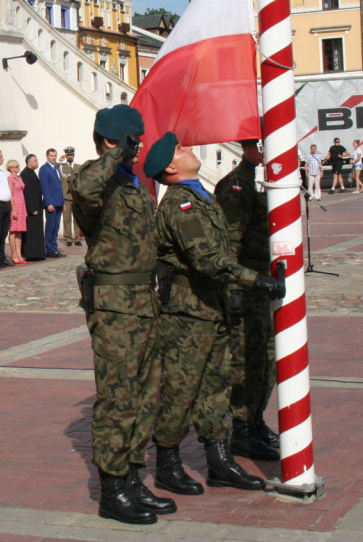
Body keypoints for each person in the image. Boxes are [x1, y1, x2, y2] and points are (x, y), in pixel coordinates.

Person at [144, 132, 285, 497]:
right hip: (187, 314)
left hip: (212, 307)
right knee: (180, 389)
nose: (188, 148)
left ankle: (219, 461)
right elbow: (207, 259)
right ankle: (168, 465)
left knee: (215, 388)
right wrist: (256, 281)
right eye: (180, 149)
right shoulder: (179, 205)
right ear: (171, 168)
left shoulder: (198, 196)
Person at [69, 104, 175, 525]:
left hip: (143, 302)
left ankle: (132, 479)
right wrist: (114, 154)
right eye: (134, 139)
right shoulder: (94, 179)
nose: (140, 147)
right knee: (117, 398)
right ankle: (112, 489)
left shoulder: (130, 185)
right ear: (114, 140)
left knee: (144, 395)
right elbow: (84, 191)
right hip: (114, 307)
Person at [213, 140, 279, 462]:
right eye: (260, 144)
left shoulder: (255, 180)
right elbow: (230, 240)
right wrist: (235, 288)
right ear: (248, 147)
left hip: (261, 285)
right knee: (246, 360)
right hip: (247, 285)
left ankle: (255, 419)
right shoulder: (237, 185)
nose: (267, 150)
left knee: (266, 360)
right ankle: (242, 429)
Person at [40, 148, 65, 258]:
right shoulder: (44, 169)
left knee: (56, 226)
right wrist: (49, 203)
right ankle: (49, 248)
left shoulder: (56, 168)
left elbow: (59, 186)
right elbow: (45, 188)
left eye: (55, 155)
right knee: (50, 226)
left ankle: (54, 247)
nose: (53, 157)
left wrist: (63, 201)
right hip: (51, 203)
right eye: (51, 155)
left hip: (59, 202)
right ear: (47, 156)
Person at [20, 154, 46, 261]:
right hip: (32, 208)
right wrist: (32, 208)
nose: (37, 162)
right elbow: (28, 193)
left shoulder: (31, 173)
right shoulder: (25, 174)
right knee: (31, 232)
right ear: (29, 162)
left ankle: (37, 253)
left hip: (37, 205)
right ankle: (31, 253)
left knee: (37, 231)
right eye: (35, 161)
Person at [60, 146, 82, 247]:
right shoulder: (62, 167)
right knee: (66, 218)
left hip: (77, 196)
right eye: (68, 155)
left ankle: (77, 237)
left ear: (74, 155)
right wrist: (60, 160)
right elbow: (54, 167)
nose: (70, 156)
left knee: (77, 218)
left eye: (71, 155)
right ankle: (68, 238)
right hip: (66, 196)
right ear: (66, 155)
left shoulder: (79, 167)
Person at [6, 159, 27, 264]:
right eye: (16, 166)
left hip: (22, 205)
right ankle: (14, 254)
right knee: (13, 231)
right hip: (15, 206)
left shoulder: (20, 178)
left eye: (18, 165)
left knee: (20, 231)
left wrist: (25, 209)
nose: (18, 167)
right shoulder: (10, 179)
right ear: (11, 168)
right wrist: (13, 209)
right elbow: (10, 195)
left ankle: (19, 253)